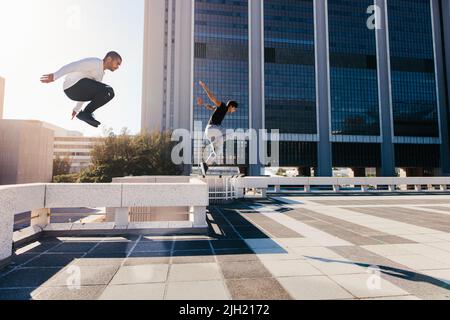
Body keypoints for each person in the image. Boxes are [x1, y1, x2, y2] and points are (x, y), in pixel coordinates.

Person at [40, 51, 122, 128]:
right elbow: (73, 66)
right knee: (108, 90)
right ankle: (86, 113)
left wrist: (76, 109)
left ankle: (86, 113)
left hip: (76, 93)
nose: (118, 67)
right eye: (117, 63)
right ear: (109, 59)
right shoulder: (95, 62)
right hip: (72, 85)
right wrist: (55, 76)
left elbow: (87, 92)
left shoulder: (100, 75)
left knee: (108, 93)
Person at [197, 81, 239, 177]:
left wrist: (205, 105)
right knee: (231, 133)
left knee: (218, 151)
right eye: (234, 109)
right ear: (231, 106)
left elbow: (212, 107)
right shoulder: (223, 106)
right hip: (213, 129)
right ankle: (219, 140)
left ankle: (205, 165)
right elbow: (213, 98)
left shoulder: (221, 109)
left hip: (211, 133)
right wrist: (205, 87)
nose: (234, 111)